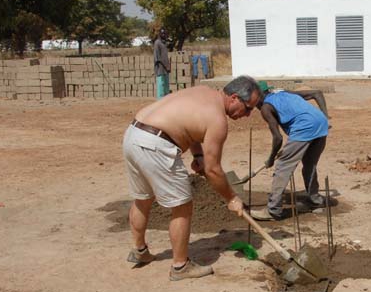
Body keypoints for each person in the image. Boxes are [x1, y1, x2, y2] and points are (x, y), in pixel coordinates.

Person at [122, 76, 262, 280]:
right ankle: (180, 267)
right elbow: (214, 170)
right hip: (156, 145)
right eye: (248, 108)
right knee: (182, 206)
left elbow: (193, 130)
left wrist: (198, 156)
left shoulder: (204, 92)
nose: (248, 115)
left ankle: (139, 251)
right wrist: (231, 198)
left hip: (134, 134)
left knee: (143, 198)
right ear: (234, 98)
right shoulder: (218, 120)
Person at [250, 81, 330, 221]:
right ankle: (315, 202)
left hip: (304, 127)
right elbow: (317, 93)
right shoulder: (284, 93)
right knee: (309, 165)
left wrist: (271, 158)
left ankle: (273, 210)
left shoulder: (266, 107)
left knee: (282, 167)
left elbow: (278, 138)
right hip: (321, 124)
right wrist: (325, 116)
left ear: (260, 96)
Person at [153, 28, 171, 98]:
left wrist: (168, 66)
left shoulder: (164, 43)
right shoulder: (157, 43)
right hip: (160, 69)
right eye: (162, 33)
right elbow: (157, 58)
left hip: (166, 69)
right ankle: (160, 103)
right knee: (161, 87)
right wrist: (166, 66)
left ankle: (166, 103)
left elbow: (165, 56)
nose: (163, 35)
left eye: (165, 33)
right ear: (159, 34)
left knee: (166, 87)